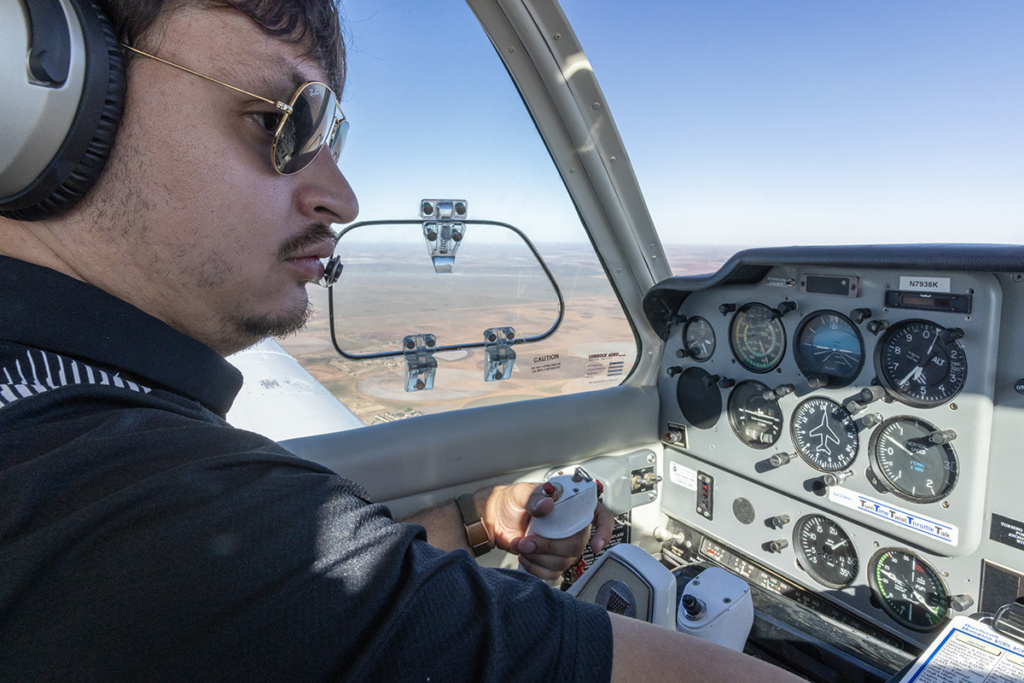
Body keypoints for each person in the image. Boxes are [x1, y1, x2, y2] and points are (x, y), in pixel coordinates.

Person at [0, 1, 802, 680]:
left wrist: (483, 519)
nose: (340, 196)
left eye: (329, 138)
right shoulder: (151, 519)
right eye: (278, 120)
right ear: (40, 86)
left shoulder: (73, 420)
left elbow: (354, 577)